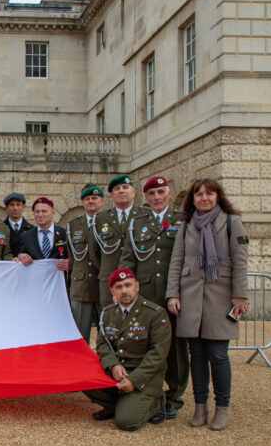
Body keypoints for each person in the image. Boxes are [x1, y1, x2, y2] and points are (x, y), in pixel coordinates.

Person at [166, 179, 249, 431]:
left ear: (217, 197)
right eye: (199, 194)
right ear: (193, 199)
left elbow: (241, 261)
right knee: (197, 356)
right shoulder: (185, 227)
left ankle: (222, 407)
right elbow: (176, 262)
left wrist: (240, 295)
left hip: (220, 296)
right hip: (190, 297)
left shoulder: (232, 222)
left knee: (218, 355)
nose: (204, 198)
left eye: (209, 194)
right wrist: (172, 294)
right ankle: (200, 406)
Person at [120, 176, 188, 420]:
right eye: (152, 194)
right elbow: (129, 258)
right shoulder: (137, 222)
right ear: (146, 198)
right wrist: (125, 288)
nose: (157, 197)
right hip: (146, 295)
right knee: (146, 346)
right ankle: (153, 394)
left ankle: (175, 397)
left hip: (175, 295)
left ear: (169, 193)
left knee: (176, 350)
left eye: (161, 192)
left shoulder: (183, 220)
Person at [84, 268, 172, 431]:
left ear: (137, 286)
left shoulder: (155, 314)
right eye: (118, 287)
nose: (124, 291)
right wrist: (113, 365)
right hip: (118, 371)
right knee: (83, 375)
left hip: (143, 376)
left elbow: (158, 354)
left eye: (128, 285)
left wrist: (135, 380)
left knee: (127, 422)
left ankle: (156, 402)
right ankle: (115, 406)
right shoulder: (108, 313)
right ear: (112, 290)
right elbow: (103, 344)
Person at [89, 175, 149, 307]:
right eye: (117, 189)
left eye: (125, 187)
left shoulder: (146, 215)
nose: (121, 191)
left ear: (133, 192)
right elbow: (94, 253)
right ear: (111, 195)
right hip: (109, 282)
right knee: (110, 321)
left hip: (139, 280)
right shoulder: (100, 219)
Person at [67, 185, 104, 343]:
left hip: (104, 283)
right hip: (81, 285)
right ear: (82, 202)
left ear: (102, 201)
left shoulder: (109, 222)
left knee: (108, 331)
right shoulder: (73, 225)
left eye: (94, 198)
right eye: (87, 199)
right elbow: (71, 255)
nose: (91, 201)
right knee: (80, 335)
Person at [15, 197, 71, 273]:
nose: (40, 214)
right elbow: (18, 254)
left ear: (53, 213)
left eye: (44, 211)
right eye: (37, 212)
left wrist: (71, 263)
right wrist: (20, 256)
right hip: (35, 280)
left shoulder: (65, 234)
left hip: (58, 280)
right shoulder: (26, 236)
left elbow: (74, 256)